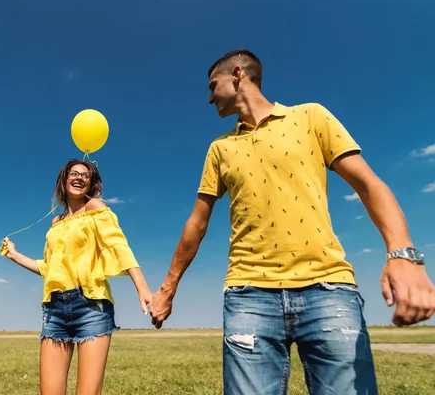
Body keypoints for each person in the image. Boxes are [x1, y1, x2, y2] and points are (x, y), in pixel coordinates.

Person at [148, 49, 435, 394]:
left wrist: (402, 254)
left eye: (213, 86)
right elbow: (197, 223)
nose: (209, 99)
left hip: (329, 290)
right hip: (248, 294)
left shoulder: (311, 117)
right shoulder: (219, 148)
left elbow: (368, 184)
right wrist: (167, 290)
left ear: (237, 74)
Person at [2, 159, 153, 395]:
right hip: (55, 310)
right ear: (64, 179)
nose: (79, 177)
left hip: (90, 307)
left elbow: (118, 245)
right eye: (74, 173)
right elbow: (51, 268)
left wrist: (142, 287)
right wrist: (15, 255)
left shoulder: (94, 207)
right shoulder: (55, 223)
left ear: (90, 184)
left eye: (85, 176)